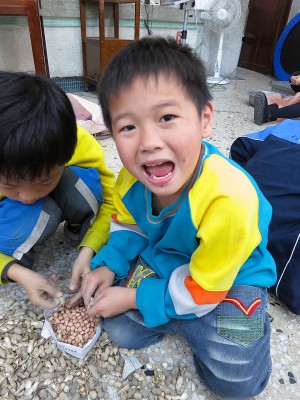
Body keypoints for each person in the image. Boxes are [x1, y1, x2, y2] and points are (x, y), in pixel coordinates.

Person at [71, 37, 276, 399]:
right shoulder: (130, 178)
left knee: (236, 384)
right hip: (170, 260)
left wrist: (134, 298)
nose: (149, 141)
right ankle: (181, 310)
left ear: (205, 120)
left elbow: (206, 288)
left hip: (228, 276)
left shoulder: (229, 198)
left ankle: (211, 318)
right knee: (119, 329)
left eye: (167, 117)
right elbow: (127, 225)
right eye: (128, 127)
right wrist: (108, 265)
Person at [0, 71, 115, 309]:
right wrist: (16, 272)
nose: (29, 196)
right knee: (39, 211)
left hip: (69, 189)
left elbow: (113, 202)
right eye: (10, 185)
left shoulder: (77, 142)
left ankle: (79, 228)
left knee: (88, 183)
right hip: (10, 216)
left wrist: (89, 248)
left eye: (44, 180)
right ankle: (14, 252)